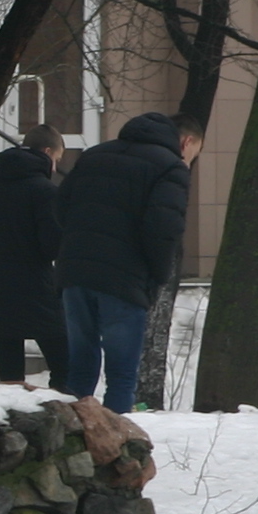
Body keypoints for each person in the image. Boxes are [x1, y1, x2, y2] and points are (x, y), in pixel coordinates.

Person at [54, 112, 202, 412]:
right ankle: (116, 436)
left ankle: (72, 431)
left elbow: (60, 206)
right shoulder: (170, 167)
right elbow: (164, 228)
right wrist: (157, 275)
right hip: (124, 280)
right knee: (121, 375)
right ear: (186, 142)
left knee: (80, 367)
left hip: (75, 272)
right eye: (193, 154)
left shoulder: (94, 155)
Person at [0, 124, 69, 387]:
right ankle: (62, 407)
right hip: (35, 284)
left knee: (10, 374)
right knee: (66, 365)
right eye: (57, 159)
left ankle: (10, 409)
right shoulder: (44, 190)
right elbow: (51, 246)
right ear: (48, 152)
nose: (55, 167)